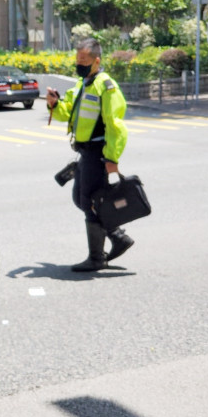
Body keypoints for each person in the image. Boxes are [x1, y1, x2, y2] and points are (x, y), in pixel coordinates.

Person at [46, 37, 133, 272]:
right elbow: (68, 114)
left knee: (90, 202)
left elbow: (116, 126)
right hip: (85, 152)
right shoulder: (83, 84)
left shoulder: (106, 86)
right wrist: (55, 104)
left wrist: (112, 159)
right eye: (77, 60)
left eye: (83, 60)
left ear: (97, 60)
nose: (79, 64)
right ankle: (117, 236)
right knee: (80, 199)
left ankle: (96, 258)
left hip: (97, 152)